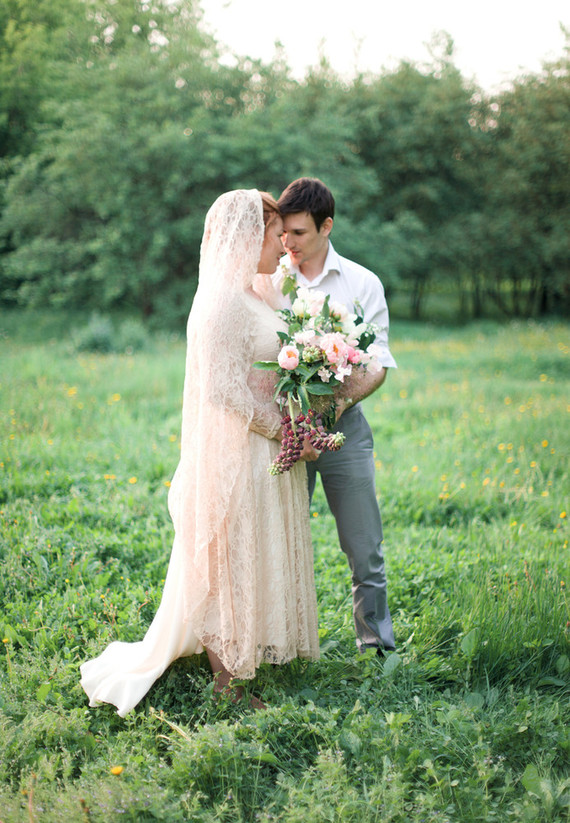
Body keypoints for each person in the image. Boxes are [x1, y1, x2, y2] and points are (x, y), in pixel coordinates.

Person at [80, 190, 319, 716]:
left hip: (268, 450)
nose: (281, 244)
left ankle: (252, 652)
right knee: (229, 559)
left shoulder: (256, 294)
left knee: (255, 550)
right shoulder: (220, 303)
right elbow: (220, 390)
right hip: (241, 449)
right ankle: (227, 684)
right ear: (245, 236)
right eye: (273, 233)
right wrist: (280, 427)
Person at [275, 177, 397, 654]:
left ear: (327, 227)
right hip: (281, 434)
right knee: (281, 541)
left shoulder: (361, 283)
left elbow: (378, 362)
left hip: (343, 431)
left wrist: (334, 405)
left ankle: (377, 646)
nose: (288, 244)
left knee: (364, 547)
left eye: (299, 233)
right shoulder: (270, 279)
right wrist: (296, 421)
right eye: (283, 233)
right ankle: (283, 648)